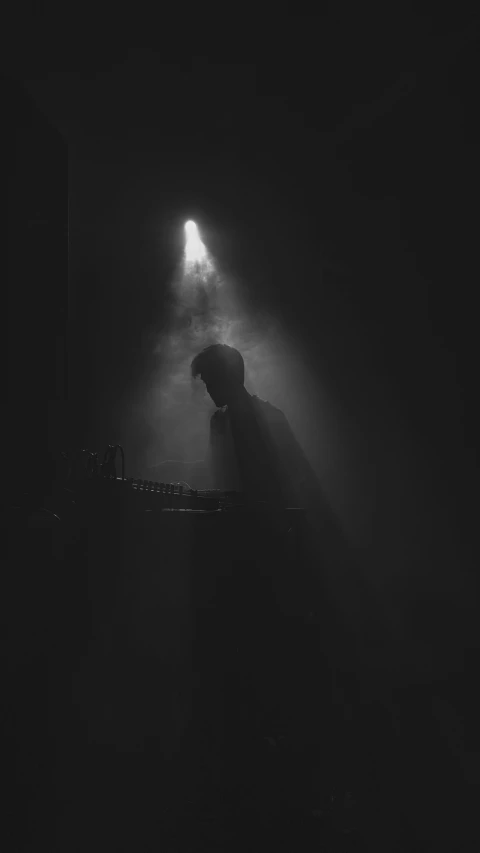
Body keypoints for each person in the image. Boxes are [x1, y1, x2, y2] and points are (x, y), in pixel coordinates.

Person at [190, 343, 319, 509]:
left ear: (228, 378)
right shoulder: (218, 422)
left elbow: (299, 472)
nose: (208, 390)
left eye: (211, 383)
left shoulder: (271, 416)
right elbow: (216, 468)